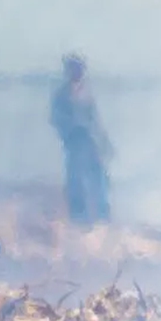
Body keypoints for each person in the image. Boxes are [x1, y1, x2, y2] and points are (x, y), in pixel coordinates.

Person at [49, 53, 114, 225]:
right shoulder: (62, 94)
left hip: (91, 142)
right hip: (75, 142)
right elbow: (55, 118)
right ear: (68, 70)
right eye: (74, 68)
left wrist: (105, 141)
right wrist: (70, 131)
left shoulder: (87, 92)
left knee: (98, 177)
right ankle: (79, 217)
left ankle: (102, 215)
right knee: (75, 179)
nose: (78, 72)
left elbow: (95, 119)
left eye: (80, 68)